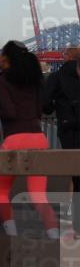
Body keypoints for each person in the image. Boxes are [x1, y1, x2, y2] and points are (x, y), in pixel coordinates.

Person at [0, 40, 60, 238]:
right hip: (38, 138)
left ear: (7, 57)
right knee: (39, 195)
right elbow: (39, 111)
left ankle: (11, 236)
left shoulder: (1, 80)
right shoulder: (35, 79)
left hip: (14, 139)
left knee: (1, 191)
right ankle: (54, 235)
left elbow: (9, 112)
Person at [43, 46, 79, 227]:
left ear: (66, 57)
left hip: (69, 131)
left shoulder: (57, 77)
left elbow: (46, 106)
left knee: (75, 174)